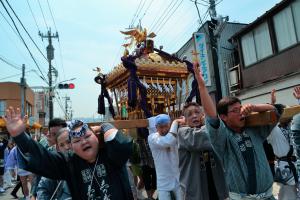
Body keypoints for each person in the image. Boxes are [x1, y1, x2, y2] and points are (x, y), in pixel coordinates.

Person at [192, 61, 281, 200]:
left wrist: (254, 107)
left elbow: (277, 111)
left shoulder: (254, 131)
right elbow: (211, 116)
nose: (240, 112)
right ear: (224, 117)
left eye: (241, 108)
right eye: (235, 111)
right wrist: (202, 86)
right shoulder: (222, 137)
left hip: (268, 197)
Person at [4, 107, 133, 200]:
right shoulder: (70, 163)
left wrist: (105, 126)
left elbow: (123, 146)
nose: (83, 142)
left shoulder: (111, 155)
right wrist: (20, 136)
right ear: (72, 147)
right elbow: (42, 159)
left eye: (87, 136)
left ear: (96, 137)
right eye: (77, 140)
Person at [176, 102, 228, 200]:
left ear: (202, 115)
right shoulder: (183, 132)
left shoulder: (208, 129)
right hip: (195, 188)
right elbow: (198, 139)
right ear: (185, 120)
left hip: (216, 186)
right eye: (189, 114)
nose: (194, 116)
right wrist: (209, 123)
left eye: (197, 112)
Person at [266, 87, 300, 199]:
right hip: (285, 168)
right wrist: (272, 104)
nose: (289, 116)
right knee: (288, 196)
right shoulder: (273, 131)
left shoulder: (291, 126)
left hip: (296, 164)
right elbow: (270, 119)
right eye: (285, 112)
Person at [31, 118, 67, 200]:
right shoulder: (47, 152)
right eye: (53, 134)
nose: (57, 137)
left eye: (59, 133)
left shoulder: (74, 150)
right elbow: (39, 176)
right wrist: (33, 194)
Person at [148, 114, 182, 200]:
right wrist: (175, 122)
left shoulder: (174, 134)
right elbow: (168, 141)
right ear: (156, 127)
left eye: (166, 126)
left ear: (169, 125)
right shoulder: (152, 138)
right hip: (163, 183)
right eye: (161, 127)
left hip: (178, 179)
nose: (164, 130)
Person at [37, 127, 72, 200]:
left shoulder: (87, 159)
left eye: (69, 142)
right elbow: (43, 188)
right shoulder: (56, 165)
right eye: (62, 145)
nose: (66, 147)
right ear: (58, 148)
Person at [136, 128, 157, 200]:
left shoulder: (152, 137)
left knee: (154, 181)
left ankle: (149, 197)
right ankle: (149, 197)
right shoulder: (139, 140)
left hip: (153, 162)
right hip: (144, 162)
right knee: (146, 180)